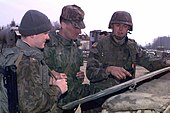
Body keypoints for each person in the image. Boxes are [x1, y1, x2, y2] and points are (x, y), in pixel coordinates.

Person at [83, 11, 170, 113]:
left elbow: (150, 61)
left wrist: (166, 62)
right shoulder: (100, 45)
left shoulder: (132, 47)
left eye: (124, 26)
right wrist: (108, 70)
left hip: (123, 98)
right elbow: (90, 73)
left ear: (128, 28)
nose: (121, 29)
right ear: (112, 26)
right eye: (117, 25)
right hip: (99, 97)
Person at [0, 10, 68, 113]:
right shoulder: (26, 61)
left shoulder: (15, 53)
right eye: (45, 33)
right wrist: (58, 89)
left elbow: (23, 84)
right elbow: (31, 106)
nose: (48, 37)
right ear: (32, 34)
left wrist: (49, 80)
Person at [44, 4, 97, 113]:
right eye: (75, 27)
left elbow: (74, 73)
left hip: (71, 104)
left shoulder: (76, 48)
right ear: (63, 24)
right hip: (52, 106)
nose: (79, 31)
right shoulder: (46, 44)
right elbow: (32, 73)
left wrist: (79, 76)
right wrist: (50, 75)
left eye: (80, 27)